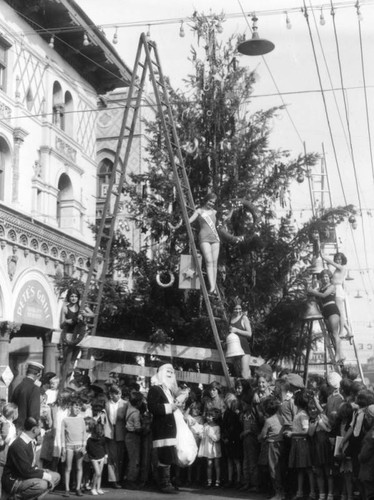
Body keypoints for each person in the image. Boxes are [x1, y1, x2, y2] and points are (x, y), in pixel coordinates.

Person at [2, 417, 60, 499]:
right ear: (34, 430)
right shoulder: (18, 445)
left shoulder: (30, 441)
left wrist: (42, 471)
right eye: (40, 427)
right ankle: (15, 498)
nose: (41, 430)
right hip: (14, 481)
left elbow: (30, 466)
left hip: (25, 476)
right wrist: (46, 476)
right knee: (42, 484)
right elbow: (26, 471)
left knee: (56, 476)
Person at [147, 363, 179, 494]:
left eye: (172, 372)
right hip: (162, 429)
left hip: (170, 429)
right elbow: (152, 407)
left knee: (169, 455)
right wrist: (170, 407)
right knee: (164, 456)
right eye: (167, 372)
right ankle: (164, 484)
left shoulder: (168, 391)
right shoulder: (155, 389)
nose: (170, 375)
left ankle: (168, 482)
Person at [308, 269, 343, 362]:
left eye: (327, 276)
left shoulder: (332, 286)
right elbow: (317, 297)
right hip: (325, 311)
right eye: (323, 277)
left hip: (332, 309)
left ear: (329, 277)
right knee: (331, 333)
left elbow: (323, 295)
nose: (325, 278)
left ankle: (338, 355)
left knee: (335, 333)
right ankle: (341, 354)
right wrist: (312, 291)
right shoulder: (320, 289)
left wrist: (313, 292)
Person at [189, 192, 220, 293]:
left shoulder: (215, 212)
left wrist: (232, 209)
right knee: (209, 261)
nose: (211, 203)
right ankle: (211, 286)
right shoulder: (199, 211)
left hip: (215, 239)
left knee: (214, 263)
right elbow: (189, 221)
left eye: (213, 202)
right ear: (206, 200)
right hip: (204, 238)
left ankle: (213, 286)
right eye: (210, 201)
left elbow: (226, 218)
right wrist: (180, 221)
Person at [322, 251, 351, 339]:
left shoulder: (342, 268)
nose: (338, 261)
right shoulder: (337, 269)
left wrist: (324, 257)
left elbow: (331, 263)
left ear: (342, 260)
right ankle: (349, 331)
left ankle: (341, 332)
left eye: (339, 259)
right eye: (337, 259)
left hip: (338, 290)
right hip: (337, 289)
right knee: (339, 312)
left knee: (340, 313)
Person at [103, 384, 128, 489]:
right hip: (110, 431)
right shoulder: (107, 404)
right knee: (112, 457)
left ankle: (120, 478)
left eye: (120, 393)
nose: (119, 395)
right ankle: (113, 480)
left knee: (120, 457)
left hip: (121, 432)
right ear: (111, 394)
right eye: (117, 394)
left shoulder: (125, 404)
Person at [61, 399, 87, 497]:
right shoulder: (65, 420)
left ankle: (78, 488)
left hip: (79, 446)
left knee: (79, 467)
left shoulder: (81, 419)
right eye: (76, 407)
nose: (77, 409)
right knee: (68, 468)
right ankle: (67, 489)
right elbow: (62, 435)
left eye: (79, 408)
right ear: (70, 407)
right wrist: (63, 447)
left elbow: (84, 433)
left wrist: (84, 446)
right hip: (69, 447)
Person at [11, 360, 44, 430]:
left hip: (16, 426)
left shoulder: (18, 387)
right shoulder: (34, 388)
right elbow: (34, 413)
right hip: (27, 430)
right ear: (38, 375)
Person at [198, 408, 222, 488]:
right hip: (208, 448)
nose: (208, 417)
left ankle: (217, 481)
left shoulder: (217, 427)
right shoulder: (205, 425)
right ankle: (209, 481)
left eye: (210, 416)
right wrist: (201, 434)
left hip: (215, 448)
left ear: (214, 417)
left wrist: (210, 434)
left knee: (217, 464)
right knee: (209, 464)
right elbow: (202, 435)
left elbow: (217, 438)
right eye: (207, 416)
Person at [229, 302, 253, 379]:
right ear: (233, 309)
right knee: (237, 372)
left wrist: (236, 330)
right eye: (236, 309)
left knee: (245, 374)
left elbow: (249, 334)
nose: (238, 310)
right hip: (234, 348)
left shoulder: (244, 318)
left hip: (243, 348)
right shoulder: (231, 318)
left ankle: (251, 388)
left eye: (240, 309)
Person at [86, 421, 107, 496]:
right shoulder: (90, 440)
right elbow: (88, 449)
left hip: (101, 457)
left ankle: (98, 488)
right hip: (93, 458)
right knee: (97, 473)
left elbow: (104, 447)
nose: (99, 433)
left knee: (99, 474)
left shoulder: (102, 439)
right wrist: (90, 456)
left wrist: (105, 455)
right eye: (98, 431)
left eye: (100, 431)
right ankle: (93, 488)